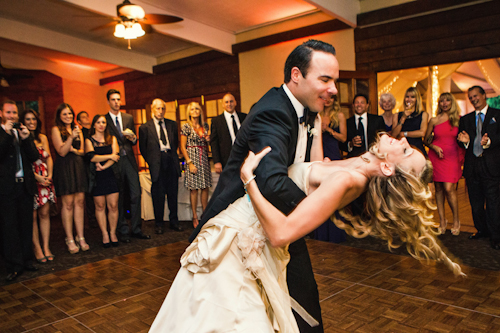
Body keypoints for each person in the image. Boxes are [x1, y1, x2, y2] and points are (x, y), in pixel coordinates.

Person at [150, 134, 463, 332]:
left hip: (242, 242)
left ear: (387, 169)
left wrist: (249, 182)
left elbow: (281, 233)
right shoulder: (357, 167)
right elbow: (315, 168)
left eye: (404, 150)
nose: (400, 140)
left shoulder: (349, 181)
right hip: (237, 234)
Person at [190, 39, 339, 333]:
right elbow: (271, 182)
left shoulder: (308, 112)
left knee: (304, 302)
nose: (333, 88)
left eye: (334, 80)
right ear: (296, 75)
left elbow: (308, 167)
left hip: (278, 222)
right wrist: (321, 206)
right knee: (239, 318)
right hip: (239, 233)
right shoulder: (273, 111)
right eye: (325, 79)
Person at [0, 101, 40, 281]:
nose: (12, 116)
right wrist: (7, 135)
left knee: (26, 224)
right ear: (1, 113)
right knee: (10, 227)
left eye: (14, 113)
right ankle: (14, 265)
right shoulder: (2, 133)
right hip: (6, 187)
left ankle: (27, 260)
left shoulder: (22, 133)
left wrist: (26, 138)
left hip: (25, 184)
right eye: (8, 112)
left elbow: (34, 157)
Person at [105, 89, 150, 242]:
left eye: (118, 99)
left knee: (136, 193)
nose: (116, 102)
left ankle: (136, 228)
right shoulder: (104, 120)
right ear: (108, 102)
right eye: (113, 99)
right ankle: (122, 230)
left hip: (129, 159)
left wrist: (133, 138)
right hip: (114, 161)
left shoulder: (128, 117)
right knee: (119, 196)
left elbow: (134, 140)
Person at [458, 86, 500, 249]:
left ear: (484, 95)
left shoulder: (497, 114)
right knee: (475, 203)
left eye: (476, 96)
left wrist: (490, 142)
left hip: (490, 166)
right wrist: (465, 141)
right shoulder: (466, 119)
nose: (473, 99)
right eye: (470, 97)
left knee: (493, 203)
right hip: (472, 166)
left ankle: (496, 236)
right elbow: (459, 140)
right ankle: (482, 230)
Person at [138, 98, 182, 234]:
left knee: (173, 193)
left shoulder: (172, 124)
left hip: (171, 160)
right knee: (158, 195)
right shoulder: (145, 127)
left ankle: (174, 221)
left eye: (163, 108)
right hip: (157, 163)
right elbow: (143, 149)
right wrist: (152, 162)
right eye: (158, 108)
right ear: (152, 109)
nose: (161, 111)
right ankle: (159, 224)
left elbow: (176, 143)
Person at [51, 103, 89, 254]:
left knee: (80, 202)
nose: (68, 117)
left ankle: (80, 236)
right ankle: (69, 238)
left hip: (78, 166)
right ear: (59, 116)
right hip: (64, 167)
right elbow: (61, 152)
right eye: (65, 114)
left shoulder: (77, 128)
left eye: (70, 114)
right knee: (67, 204)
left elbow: (83, 152)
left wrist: (75, 149)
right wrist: (70, 139)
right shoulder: (56, 130)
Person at [424, 93, 463, 235]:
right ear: (439, 103)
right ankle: (442, 221)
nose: (444, 103)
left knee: (449, 188)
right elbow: (426, 140)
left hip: (452, 158)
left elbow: (463, 138)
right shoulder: (434, 120)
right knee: (439, 189)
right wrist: (434, 147)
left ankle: (456, 220)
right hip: (436, 157)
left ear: (452, 102)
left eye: (447, 100)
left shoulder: (459, 120)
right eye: (442, 101)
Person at [21, 109, 56, 263]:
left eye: (34, 119)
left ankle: (46, 246)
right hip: (31, 179)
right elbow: (24, 164)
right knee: (33, 216)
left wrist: (49, 176)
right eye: (28, 119)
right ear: (23, 121)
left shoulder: (42, 137)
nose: (31, 122)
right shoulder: (22, 139)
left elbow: (48, 158)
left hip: (46, 179)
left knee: (45, 213)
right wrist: (37, 178)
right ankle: (37, 248)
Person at [314, 95, 346, 242]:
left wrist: (329, 131)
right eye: (325, 98)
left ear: (334, 100)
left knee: (334, 190)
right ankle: (320, 231)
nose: (328, 100)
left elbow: (344, 138)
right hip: (318, 152)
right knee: (319, 191)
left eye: (331, 98)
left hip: (333, 153)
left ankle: (335, 231)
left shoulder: (339, 116)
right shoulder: (316, 114)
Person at [85, 115, 120, 248]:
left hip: (110, 174)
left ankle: (112, 233)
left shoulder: (112, 138)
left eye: (103, 122)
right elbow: (92, 157)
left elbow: (116, 157)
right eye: (98, 122)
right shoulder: (89, 140)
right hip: (96, 177)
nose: (101, 125)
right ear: (94, 125)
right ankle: (104, 234)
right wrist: (109, 156)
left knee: (113, 205)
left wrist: (104, 165)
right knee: (100, 206)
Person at [180, 102, 212, 228]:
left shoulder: (205, 125)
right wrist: (189, 162)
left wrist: (208, 140)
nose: (195, 111)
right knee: (194, 190)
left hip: (204, 158)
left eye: (197, 109)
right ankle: (194, 216)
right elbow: (182, 146)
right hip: (192, 159)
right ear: (189, 112)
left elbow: (207, 143)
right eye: (192, 109)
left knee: (205, 188)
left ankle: (205, 214)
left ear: (200, 111)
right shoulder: (186, 127)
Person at [210, 93, 247, 173]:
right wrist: (217, 161)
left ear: (235, 103)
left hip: (244, 157)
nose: (229, 104)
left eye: (231, 101)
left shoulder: (244, 117)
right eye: (226, 102)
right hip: (226, 159)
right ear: (223, 104)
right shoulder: (217, 121)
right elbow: (214, 143)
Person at [343, 93, 385, 158]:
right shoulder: (347, 123)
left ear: (367, 105)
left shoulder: (377, 120)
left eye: (362, 102)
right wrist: (351, 144)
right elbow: (341, 145)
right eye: (357, 102)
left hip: (374, 158)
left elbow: (383, 139)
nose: (359, 105)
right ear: (353, 105)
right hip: (354, 160)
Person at [392, 87, 428, 156]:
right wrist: (403, 117)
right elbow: (394, 135)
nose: (409, 99)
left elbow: (422, 133)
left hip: (417, 148)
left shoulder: (423, 114)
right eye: (407, 97)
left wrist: (404, 134)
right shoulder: (397, 115)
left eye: (412, 97)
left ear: (417, 99)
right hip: (402, 150)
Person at [77, 110, 97, 228]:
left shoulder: (94, 130)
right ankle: (91, 217)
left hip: (97, 162)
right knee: (89, 191)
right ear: (79, 121)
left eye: (87, 116)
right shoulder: (80, 133)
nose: (86, 119)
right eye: (83, 117)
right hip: (86, 164)